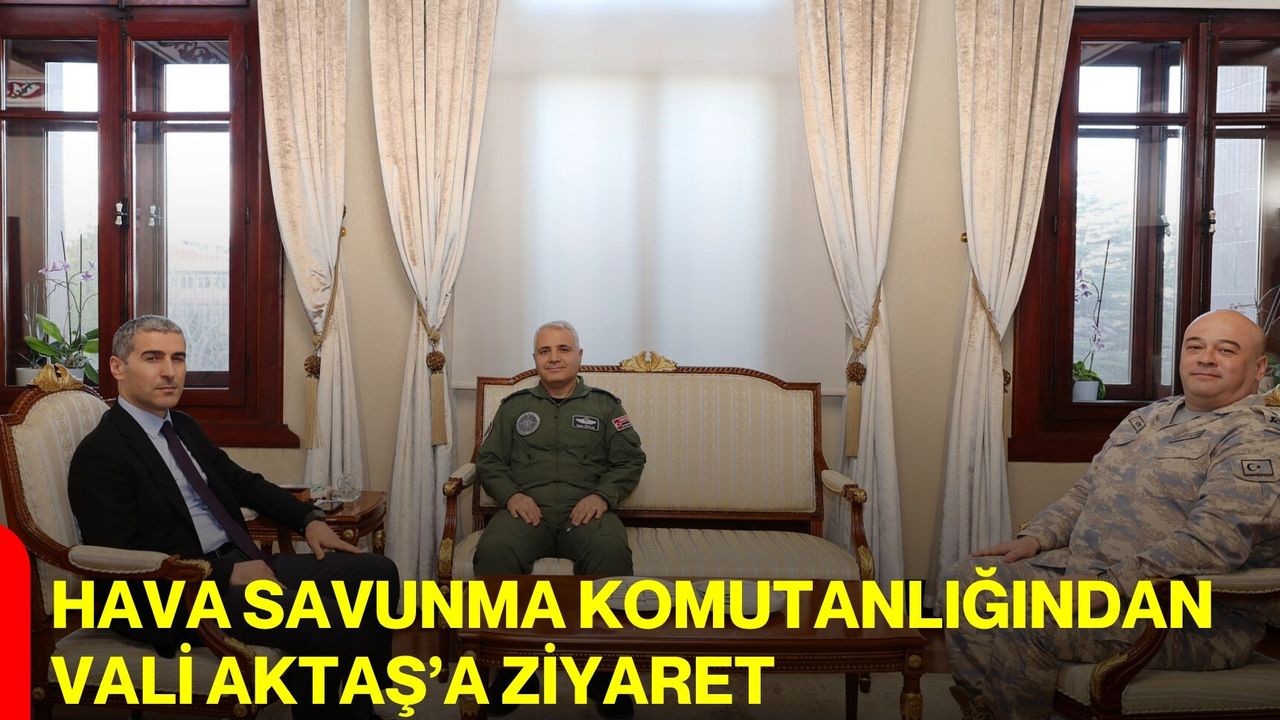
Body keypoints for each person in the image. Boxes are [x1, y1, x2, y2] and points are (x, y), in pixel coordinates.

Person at [945, 308, 1280, 720]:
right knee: (966, 581)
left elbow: (1214, 542)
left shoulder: (1257, 436)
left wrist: (1108, 587)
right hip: (1090, 575)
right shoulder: (1149, 417)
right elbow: (1087, 491)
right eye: (1195, 347)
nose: (1206, 358)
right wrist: (1036, 538)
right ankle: (989, 707)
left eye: (1226, 350)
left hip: (1187, 615)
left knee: (1028, 620)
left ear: (1258, 368)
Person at [68, 316, 399, 720]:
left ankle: (355, 705)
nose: (170, 372)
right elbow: (123, 556)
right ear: (118, 367)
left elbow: (241, 482)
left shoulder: (182, 427)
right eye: (153, 358)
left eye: (178, 358)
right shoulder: (102, 454)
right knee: (326, 618)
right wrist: (224, 574)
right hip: (173, 596)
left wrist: (308, 519)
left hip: (235, 563)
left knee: (375, 572)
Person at [474, 320, 646, 718]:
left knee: (610, 553)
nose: (554, 357)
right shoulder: (514, 407)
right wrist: (512, 495)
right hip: (526, 511)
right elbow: (490, 461)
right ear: (534, 358)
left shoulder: (605, 406)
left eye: (563, 349)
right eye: (545, 351)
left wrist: (602, 496)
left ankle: (605, 676)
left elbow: (630, 460)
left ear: (579, 356)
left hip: (584, 511)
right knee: (495, 551)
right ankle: (515, 673)